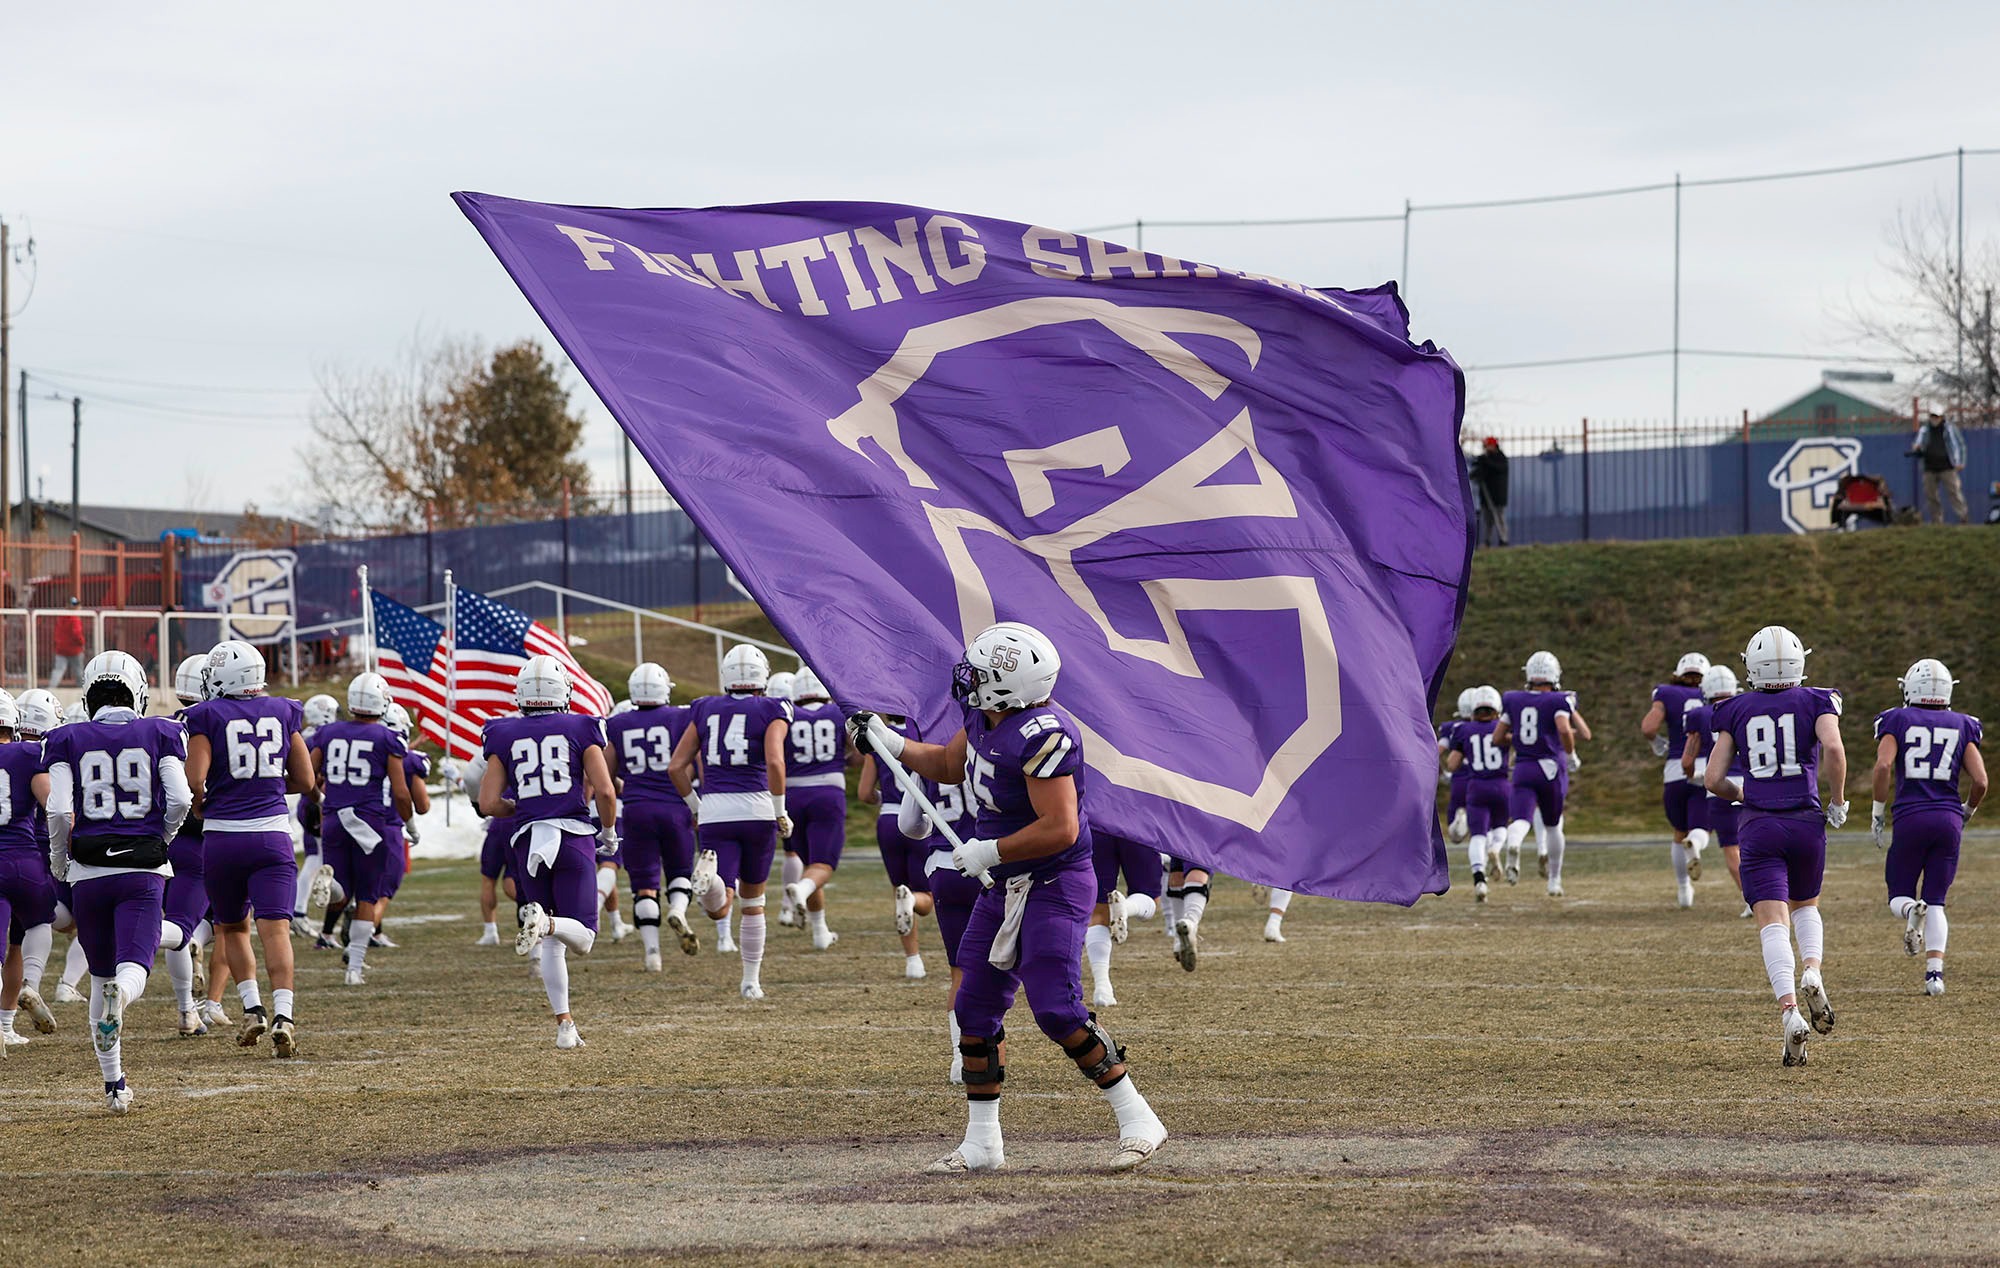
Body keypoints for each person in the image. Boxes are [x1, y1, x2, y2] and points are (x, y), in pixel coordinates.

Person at [850, 620, 1168, 1174]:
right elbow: (950, 765)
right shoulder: (984, 715)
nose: (968, 677)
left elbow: (1062, 827)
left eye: (982, 672)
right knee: (973, 1008)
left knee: (1056, 1008)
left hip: (1054, 884)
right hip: (1001, 882)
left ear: (1008, 685)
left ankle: (1137, 1116)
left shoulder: (1045, 734)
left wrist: (990, 850)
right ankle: (982, 1142)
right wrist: (890, 741)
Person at [43, 651, 194, 1113]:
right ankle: (120, 1001)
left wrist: (59, 862)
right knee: (134, 968)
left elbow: (57, 810)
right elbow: (181, 799)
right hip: (141, 869)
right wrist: (161, 839)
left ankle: (115, 1085)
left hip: (88, 872)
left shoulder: (66, 737)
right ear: (139, 693)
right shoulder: (162, 731)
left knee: (102, 973)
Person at [1705, 625, 1845, 1067]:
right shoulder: (1817, 699)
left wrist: (1747, 794)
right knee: (1806, 907)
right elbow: (1835, 750)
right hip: (1805, 820)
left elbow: (1712, 779)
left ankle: (1789, 1012)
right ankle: (1813, 970)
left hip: (1760, 825)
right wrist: (1837, 803)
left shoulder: (1734, 708)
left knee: (1770, 922)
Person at [183, 641, 314, 1055]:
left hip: (224, 838)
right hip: (273, 835)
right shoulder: (283, 710)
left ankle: (253, 1008)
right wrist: (271, 787)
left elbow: (193, 781)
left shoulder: (206, 715)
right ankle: (284, 1015)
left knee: (232, 927)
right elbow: (306, 781)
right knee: (275, 929)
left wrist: (207, 804)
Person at [482, 656, 618, 1049]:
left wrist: (520, 808)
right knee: (584, 936)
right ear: (564, 692)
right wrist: (608, 832)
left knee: (552, 944)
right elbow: (605, 790)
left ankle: (565, 1025)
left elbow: (489, 802)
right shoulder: (581, 726)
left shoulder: (503, 732)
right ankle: (546, 924)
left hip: (528, 842)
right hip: (572, 835)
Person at [669, 644, 790, 999]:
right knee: (753, 902)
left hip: (715, 811)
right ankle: (751, 981)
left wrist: (695, 806)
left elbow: (676, 767)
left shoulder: (705, 707)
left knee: (719, 907)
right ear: (762, 675)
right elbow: (775, 763)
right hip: (757, 810)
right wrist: (780, 809)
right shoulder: (773, 707)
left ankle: (710, 881)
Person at [1872, 658, 1987, 996]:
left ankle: (1911, 911)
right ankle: (1935, 976)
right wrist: (1966, 811)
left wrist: (1878, 811)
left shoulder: (1897, 718)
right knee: (1936, 900)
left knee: (1899, 895)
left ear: (1909, 688)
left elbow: (1882, 766)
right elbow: (1980, 780)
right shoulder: (1964, 724)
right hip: (1948, 818)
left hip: (1911, 816)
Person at [311, 672, 414, 987]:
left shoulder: (328, 732)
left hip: (334, 819)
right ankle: (353, 968)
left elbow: (307, 775)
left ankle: (334, 887)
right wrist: (409, 822)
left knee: (342, 886)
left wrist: (320, 799)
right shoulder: (387, 738)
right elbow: (399, 792)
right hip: (369, 823)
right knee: (368, 895)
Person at [605, 662, 701, 970]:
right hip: (675, 807)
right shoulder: (684, 716)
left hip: (636, 809)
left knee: (644, 884)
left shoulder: (617, 723)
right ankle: (678, 910)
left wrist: (630, 786)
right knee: (680, 874)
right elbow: (695, 764)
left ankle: (652, 954)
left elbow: (605, 775)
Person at [160, 657, 216, 1037]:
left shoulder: (162, 728)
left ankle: (188, 1012)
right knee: (209, 924)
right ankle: (193, 1009)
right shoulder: (217, 722)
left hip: (163, 839)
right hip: (209, 836)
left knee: (183, 919)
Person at [0, 690, 57, 1047]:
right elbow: (53, 806)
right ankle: (10, 1017)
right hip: (23, 860)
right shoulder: (26, 753)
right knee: (37, 925)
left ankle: (3, 1028)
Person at [1499, 651, 1580, 896]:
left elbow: (1497, 736)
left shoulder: (1514, 699)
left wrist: (1518, 739)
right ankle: (1554, 880)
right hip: (1550, 769)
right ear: (1554, 675)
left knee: (1521, 820)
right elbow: (1565, 730)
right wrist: (1571, 755)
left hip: (1523, 767)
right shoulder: (1558, 700)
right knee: (1553, 826)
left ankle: (1514, 845)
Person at [859, 711, 932, 978]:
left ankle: (913, 961)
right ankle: (912, 900)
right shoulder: (926, 733)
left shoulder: (877, 736)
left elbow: (864, 793)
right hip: (923, 819)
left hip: (889, 819)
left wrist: (884, 800)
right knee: (926, 897)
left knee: (898, 888)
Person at [781, 668, 848, 952]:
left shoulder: (786, 714)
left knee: (812, 867)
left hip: (793, 795)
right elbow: (858, 752)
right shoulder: (838, 713)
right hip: (828, 793)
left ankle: (820, 931)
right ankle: (802, 889)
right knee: (822, 867)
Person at [1641, 652, 1711, 908]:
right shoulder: (1714, 696)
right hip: (1707, 768)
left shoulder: (1666, 693)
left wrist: (1658, 743)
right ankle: (1696, 842)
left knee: (1678, 831)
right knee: (1702, 827)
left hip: (1675, 771)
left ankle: (1684, 890)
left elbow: (1649, 728)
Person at [1681, 665, 1751, 917]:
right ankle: (1774, 893)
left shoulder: (1699, 714)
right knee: (1758, 842)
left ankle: (1753, 900)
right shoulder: (1747, 706)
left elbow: (1687, 761)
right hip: (1753, 784)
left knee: (1732, 847)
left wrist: (1694, 777)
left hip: (1721, 787)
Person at [1445, 685, 1511, 902]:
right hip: (1501, 785)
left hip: (1476, 787)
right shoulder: (1503, 727)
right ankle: (1495, 848)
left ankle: (1480, 880)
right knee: (1501, 827)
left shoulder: (1464, 730)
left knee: (1477, 835)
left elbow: (1452, 764)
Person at [1084, 830, 1163, 1006]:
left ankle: (1103, 988)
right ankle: (1126, 908)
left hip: (1097, 825)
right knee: (1148, 897)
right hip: (1137, 823)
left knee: (1098, 909)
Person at [291, 692, 341, 931]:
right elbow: (316, 774)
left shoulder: (303, 735)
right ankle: (298, 910)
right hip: (316, 802)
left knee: (315, 856)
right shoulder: (323, 736)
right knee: (318, 859)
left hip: (305, 802)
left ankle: (298, 910)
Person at [1909, 409, 1969, 524]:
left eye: (1936, 416)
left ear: (1942, 417)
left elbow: (1960, 445)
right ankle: (1937, 521)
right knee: (1931, 495)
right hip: (1929, 467)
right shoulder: (1924, 429)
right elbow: (1918, 443)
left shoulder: (1950, 428)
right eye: (1932, 416)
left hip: (1947, 466)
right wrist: (1916, 448)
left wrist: (1961, 461)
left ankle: (1963, 516)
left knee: (1954, 492)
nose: (1934, 419)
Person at [1470, 437, 1510, 547]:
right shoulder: (1486, 459)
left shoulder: (1501, 459)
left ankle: (1503, 539)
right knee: (1488, 521)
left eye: (1488, 445)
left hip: (1497, 496)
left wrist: (1485, 461)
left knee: (1499, 518)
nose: (1486, 448)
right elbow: (1479, 473)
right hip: (1486, 496)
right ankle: (1487, 540)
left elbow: (1498, 468)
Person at [47, 598, 87, 690]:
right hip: (75, 649)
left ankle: (51, 688)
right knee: (78, 671)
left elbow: (57, 632)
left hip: (61, 649)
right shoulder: (74, 619)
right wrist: (82, 643)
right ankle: (83, 690)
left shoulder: (61, 617)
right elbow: (76, 634)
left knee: (58, 670)